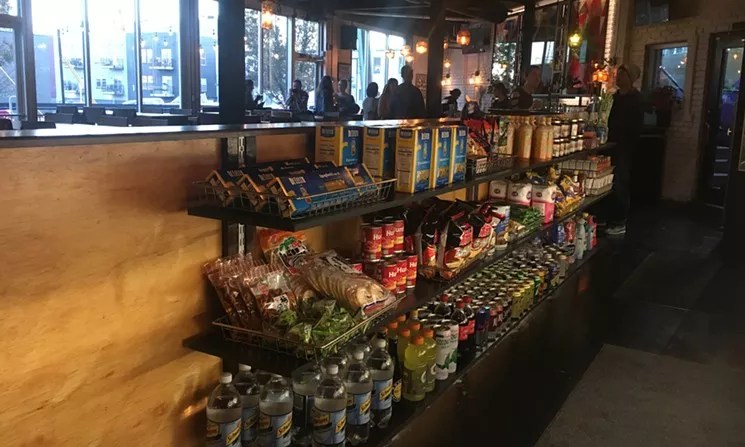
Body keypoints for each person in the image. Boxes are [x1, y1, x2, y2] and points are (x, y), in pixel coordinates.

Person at [605, 63, 643, 236]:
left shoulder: (636, 99)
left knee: (620, 182)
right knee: (607, 182)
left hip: (624, 147)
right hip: (609, 145)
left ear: (631, 78)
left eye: (622, 74)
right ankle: (606, 217)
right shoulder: (614, 97)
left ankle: (620, 221)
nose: (618, 77)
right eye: (617, 74)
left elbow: (635, 127)